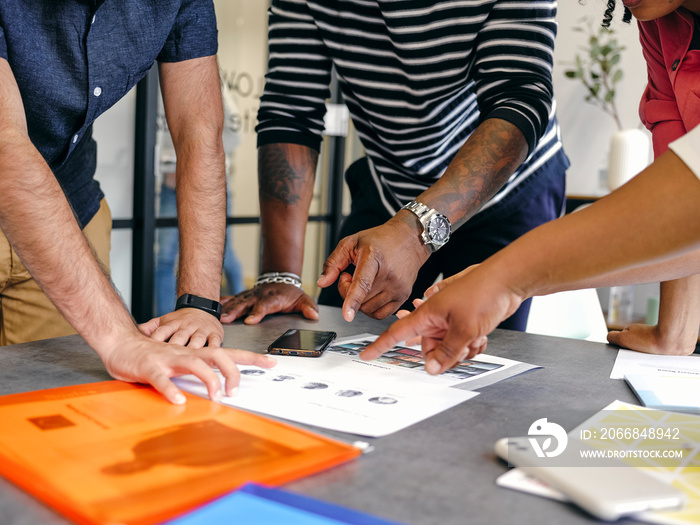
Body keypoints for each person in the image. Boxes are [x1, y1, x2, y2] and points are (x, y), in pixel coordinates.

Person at [221, 0, 570, 331]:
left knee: (470, 355)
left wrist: (414, 232)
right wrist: (279, 275)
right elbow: (290, 108)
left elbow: (518, 95)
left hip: (505, 191)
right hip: (390, 186)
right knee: (337, 338)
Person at [0, 1, 275, 404]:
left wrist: (199, 304)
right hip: (20, 181)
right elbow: (6, 148)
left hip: (66, 220)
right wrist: (118, 337)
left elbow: (199, 135)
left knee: (57, 412)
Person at [361, 125, 700, 372]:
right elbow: (689, 219)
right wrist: (495, 279)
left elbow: (686, 203)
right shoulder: (661, 39)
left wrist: (503, 281)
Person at [155, 80, 245, 317]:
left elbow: (234, 134)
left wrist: (198, 158)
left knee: (226, 257)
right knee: (164, 259)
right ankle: (167, 321)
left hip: (208, 188)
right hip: (170, 186)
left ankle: (243, 307)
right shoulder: (157, 88)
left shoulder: (214, 90)